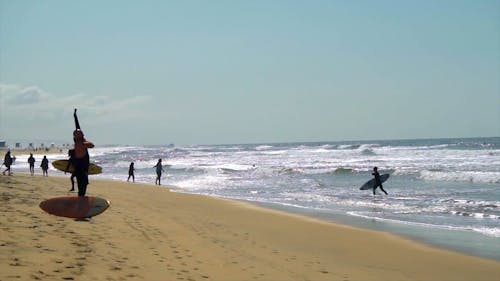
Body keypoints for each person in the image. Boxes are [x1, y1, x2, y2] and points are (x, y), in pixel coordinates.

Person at [73, 108, 95, 197]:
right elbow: (92, 145)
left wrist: (75, 116)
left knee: (81, 184)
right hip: (82, 167)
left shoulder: (77, 140)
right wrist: (87, 143)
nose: (83, 134)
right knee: (83, 183)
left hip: (79, 166)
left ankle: (81, 196)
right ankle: (81, 197)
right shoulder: (80, 143)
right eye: (82, 134)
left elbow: (77, 127)